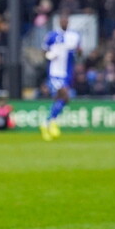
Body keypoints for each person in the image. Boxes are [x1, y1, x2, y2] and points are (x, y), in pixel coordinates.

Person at [40, 11, 81, 141]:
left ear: (68, 22)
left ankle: (48, 122)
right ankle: (51, 122)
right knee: (64, 95)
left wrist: (79, 52)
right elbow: (44, 52)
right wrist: (49, 55)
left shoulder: (74, 36)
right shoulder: (52, 36)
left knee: (62, 99)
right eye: (62, 20)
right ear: (59, 22)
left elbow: (78, 53)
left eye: (66, 20)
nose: (64, 22)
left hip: (67, 73)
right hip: (55, 73)